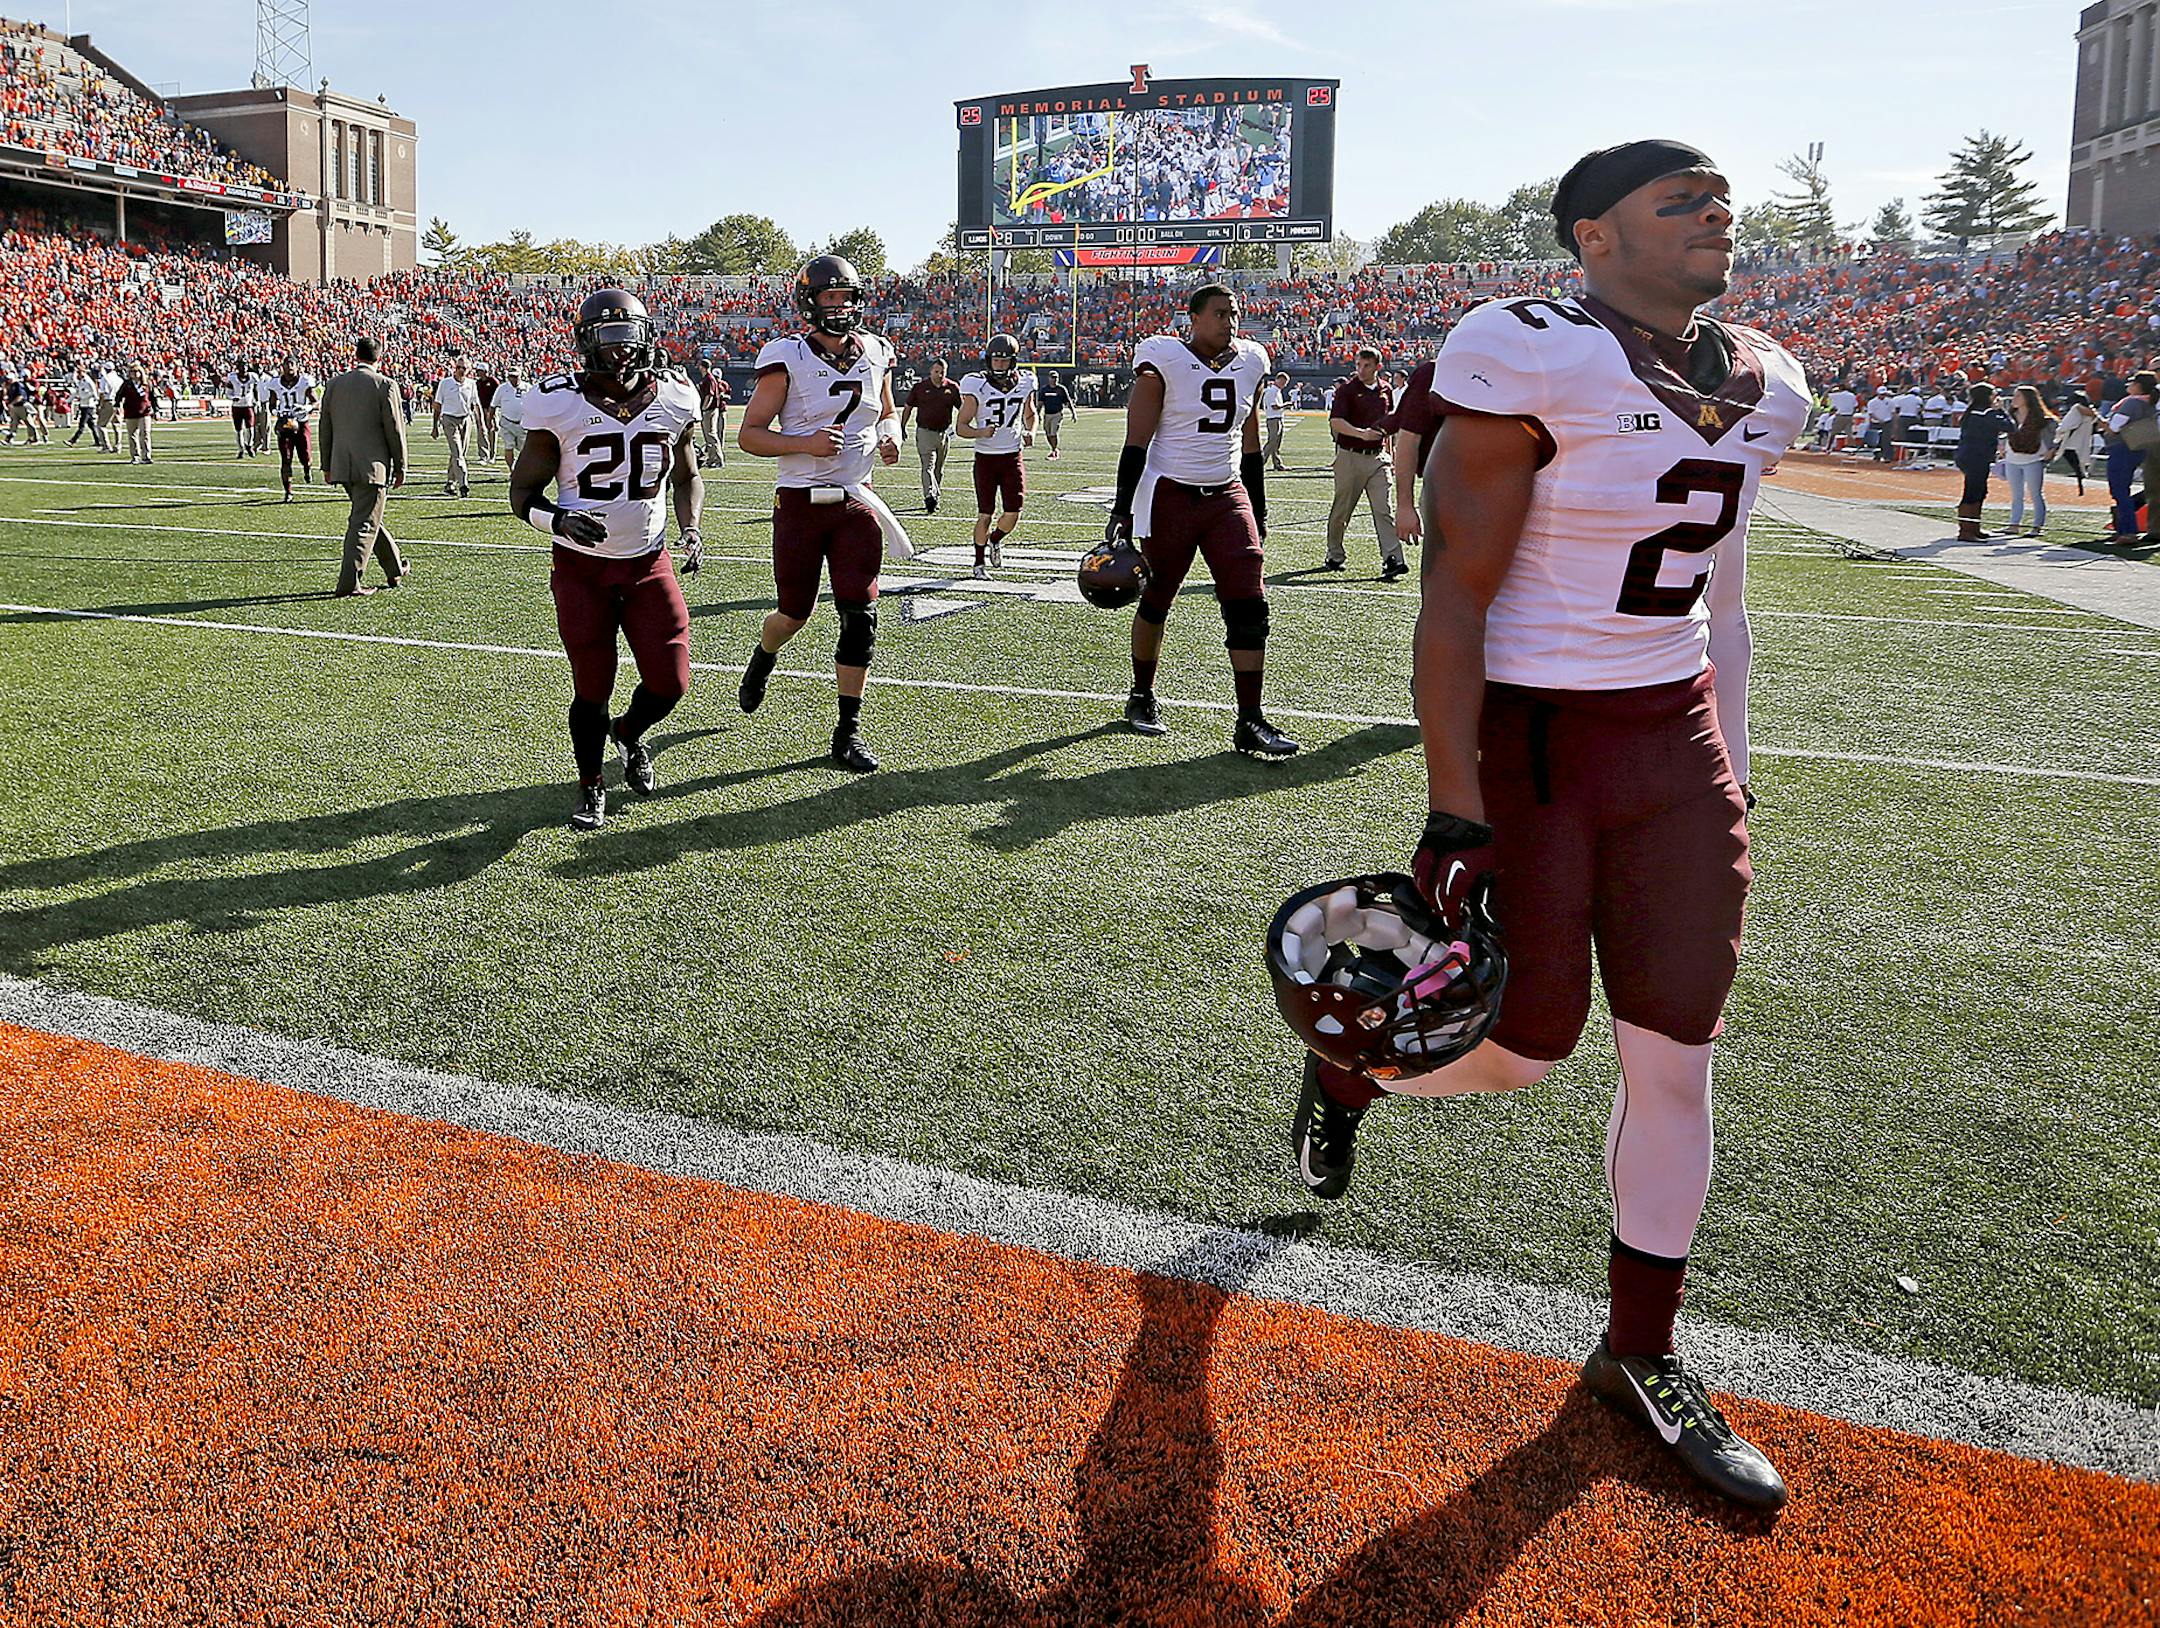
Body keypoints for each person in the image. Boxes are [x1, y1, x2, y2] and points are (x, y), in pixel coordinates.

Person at [1287, 141, 1808, 1511]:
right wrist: (1454, 800)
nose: (1714, 214)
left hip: (1672, 739)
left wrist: (1732, 769)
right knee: (1527, 1051)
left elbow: (1728, 600)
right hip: (1532, 732)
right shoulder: (1530, 351)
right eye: (1677, 200)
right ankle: (1353, 1075)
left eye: (1719, 198)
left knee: (1679, 1055)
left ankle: (1641, 1353)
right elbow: (1453, 595)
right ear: (1590, 236)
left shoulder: (1767, 382)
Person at [510, 290, 702, 831]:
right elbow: (522, 492)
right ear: (586, 344)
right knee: (592, 684)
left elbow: (687, 475)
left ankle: (630, 733)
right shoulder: (559, 401)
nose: (622, 352)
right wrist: (558, 520)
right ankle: (590, 783)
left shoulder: (673, 397)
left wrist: (692, 528)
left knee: (671, 681)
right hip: (582, 568)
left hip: (647, 560)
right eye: (610, 340)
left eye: (631, 337)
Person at [1104, 283, 1299, 760]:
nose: (1229, 322)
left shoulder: (1252, 360)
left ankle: (1250, 719)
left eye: (1233, 314)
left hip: (1226, 494)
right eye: (1218, 314)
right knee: (1158, 595)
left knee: (1250, 602)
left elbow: (1250, 441)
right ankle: (1141, 694)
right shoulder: (1163, 360)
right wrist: (1122, 508)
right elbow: (1136, 442)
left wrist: (1259, 505)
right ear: (1192, 318)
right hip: (1170, 492)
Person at [735, 254, 906, 775]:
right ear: (809, 302)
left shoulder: (876, 350)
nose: (841, 305)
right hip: (801, 503)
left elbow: (889, 409)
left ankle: (847, 730)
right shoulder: (786, 356)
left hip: (857, 500)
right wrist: (803, 442)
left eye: (847, 296)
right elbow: (749, 434)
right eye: (830, 297)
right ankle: (764, 655)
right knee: (794, 613)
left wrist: (890, 433)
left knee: (862, 614)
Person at [320, 335, 411, 598]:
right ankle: (350, 582)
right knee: (364, 523)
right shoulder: (384, 385)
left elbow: (325, 427)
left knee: (369, 517)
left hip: (343, 464)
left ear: (355, 355)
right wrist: (401, 465)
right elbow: (395, 429)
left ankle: (394, 568)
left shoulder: (335, 384)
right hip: (372, 466)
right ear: (379, 357)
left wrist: (327, 464)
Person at [956, 333, 1036, 579]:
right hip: (986, 458)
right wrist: (981, 432)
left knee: (1013, 513)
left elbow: (1030, 413)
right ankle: (979, 563)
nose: (999, 365)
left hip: (1012, 455)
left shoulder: (1026, 382)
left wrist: (1031, 430)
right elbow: (961, 427)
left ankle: (995, 539)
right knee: (985, 513)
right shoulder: (976, 385)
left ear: (1013, 361)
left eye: (1003, 361)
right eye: (995, 360)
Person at [1324, 345, 1403, 579]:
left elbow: (1387, 422)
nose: (1361, 369)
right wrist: (1362, 433)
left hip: (1378, 457)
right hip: (1351, 455)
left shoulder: (1385, 389)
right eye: (1358, 364)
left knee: (1383, 509)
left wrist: (1389, 452)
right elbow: (1336, 422)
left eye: (1367, 365)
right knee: (1342, 510)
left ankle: (1393, 558)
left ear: (1378, 367)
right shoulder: (1348, 390)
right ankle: (1335, 553)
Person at [1950, 383, 2014, 542]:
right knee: (1973, 492)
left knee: (1979, 491)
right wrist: (2001, 410)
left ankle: (1973, 527)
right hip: (1976, 457)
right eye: (1993, 394)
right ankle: (1966, 530)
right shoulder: (1986, 413)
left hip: (1972, 456)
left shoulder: (1972, 412)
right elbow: (2010, 427)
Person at [900, 358, 961, 511]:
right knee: (928, 466)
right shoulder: (920, 387)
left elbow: (963, 408)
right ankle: (929, 496)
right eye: (936, 371)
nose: (939, 375)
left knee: (938, 469)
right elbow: (908, 407)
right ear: (930, 371)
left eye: (942, 372)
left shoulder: (952, 387)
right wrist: (902, 426)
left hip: (944, 433)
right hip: (925, 431)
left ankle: (935, 496)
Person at [2104, 372, 2156, 540]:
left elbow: (2114, 428)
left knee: (2119, 490)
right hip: (2138, 448)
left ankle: (2128, 531)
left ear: (2139, 386)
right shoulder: (2150, 403)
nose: (2129, 385)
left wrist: (2093, 417)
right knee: (2122, 489)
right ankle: (2126, 529)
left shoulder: (2132, 402)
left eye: (2132, 382)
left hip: (2122, 448)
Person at [2002, 386, 2056, 537]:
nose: (2014, 399)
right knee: (2016, 494)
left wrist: (2052, 450)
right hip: (2012, 458)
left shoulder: (2042, 419)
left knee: (2035, 493)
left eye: (2018, 396)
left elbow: (2058, 435)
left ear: (2028, 398)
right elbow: (2005, 433)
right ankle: (2014, 524)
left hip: (2034, 458)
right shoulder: (2010, 416)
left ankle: (2037, 526)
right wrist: (2001, 444)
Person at [267, 357, 318, 502]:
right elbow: (272, 403)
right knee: (286, 459)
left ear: (297, 366)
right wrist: (276, 412)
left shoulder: (304, 381)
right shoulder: (275, 383)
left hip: (301, 423)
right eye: (286, 364)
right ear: (282, 366)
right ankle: (288, 491)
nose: (289, 366)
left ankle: (307, 469)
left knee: (306, 457)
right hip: (284, 424)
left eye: (292, 364)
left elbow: (316, 401)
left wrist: (307, 407)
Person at [432, 357, 479, 497]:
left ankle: (450, 483)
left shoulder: (471, 384)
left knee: (459, 453)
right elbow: (437, 405)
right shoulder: (445, 383)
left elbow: (475, 404)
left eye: (464, 368)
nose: (461, 370)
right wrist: (434, 426)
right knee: (457, 452)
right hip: (449, 419)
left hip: (465, 419)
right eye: (459, 367)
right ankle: (463, 483)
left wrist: (481, 423)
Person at [2054, 387, 2097, 496]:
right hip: (2082, 442)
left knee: (2074, 463)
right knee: (2078, 465)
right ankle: (2081, 483)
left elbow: (2067, 424)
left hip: (2071, 441)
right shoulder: (2090, 413)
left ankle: (2080, 484)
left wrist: (2059, 432)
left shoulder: (2076, 410)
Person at [697, 362, 731, 468]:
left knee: (711, 435)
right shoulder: (707, 379)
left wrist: (704, 408)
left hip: (710, 409)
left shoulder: (709, 379)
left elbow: (709, 395)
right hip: (710, 409)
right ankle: (712, 459)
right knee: (708, 436)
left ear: (703, 367)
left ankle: (718, 459)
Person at [118, 366, 154, 463]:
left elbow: (152, 397)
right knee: (132, 435)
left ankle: (146, 456)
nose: (134, 373)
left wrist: (156, 409)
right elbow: (119, 395)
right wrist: (117, 406)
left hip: (145, 412)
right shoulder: (127, 384)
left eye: (136, 371)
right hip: (130, 411)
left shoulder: (147, 384)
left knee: (145, 433)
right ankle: (135, 456)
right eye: (132, 371)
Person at [66, 361, 105, 449]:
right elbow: (77, 392)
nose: (78, 374)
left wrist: (95, 401)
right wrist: (68, 400)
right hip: (83, 405)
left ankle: (73, 440)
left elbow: (94, 392)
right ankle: (98, 441)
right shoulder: (81, 381)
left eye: (79, 372)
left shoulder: (88, 381)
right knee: (91, 425)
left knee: (82, 425)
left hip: (88, 405)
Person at [223, 356, 256, 458]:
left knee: (250, 428)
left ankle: (249, 445)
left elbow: (256, 389)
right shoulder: (232, 377)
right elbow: (227, 393)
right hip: (237, 406)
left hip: (248, 405)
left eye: (245, 365)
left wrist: (257, 401)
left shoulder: (253, 376)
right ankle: (241, 449)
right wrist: (233, 398)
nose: (244, 368)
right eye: (241, 366)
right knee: (238, 429)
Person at [495, 366, 527, 470]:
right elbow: (493, 405)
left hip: (523, 423)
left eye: (515, 376)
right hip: (507, 422)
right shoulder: (502, 388)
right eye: (510, 376)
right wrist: (489, 422)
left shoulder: (528, 387)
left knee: (524, 449)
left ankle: (520, 468)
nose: (512, 379)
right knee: (509, 446)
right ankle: (512, 470)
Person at [1037, 370, 1074, 460]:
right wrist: (1037, 414)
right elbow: (1040, 403)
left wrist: (1073, 413)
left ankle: (1054, 451)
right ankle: (1054, 449)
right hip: (1047, 414)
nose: (1054, 379)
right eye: (1052, 377)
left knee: (1053, 433)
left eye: (1055, 378)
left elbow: (1068, 401)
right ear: (1049, 378)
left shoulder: (1061, 389)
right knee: (1048, 433)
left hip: (1057, 414)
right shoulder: (1044, 389)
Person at [1261, 369, 1289, 470]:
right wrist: (1285, 405)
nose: (1284, 385)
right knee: (1272, 441)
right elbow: (1274, 406)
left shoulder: (1276, 391)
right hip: (1273, 418)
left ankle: (1277, 463)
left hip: (1277, 418)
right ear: (1278, 380)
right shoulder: (1272, 391)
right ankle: (1261, 461)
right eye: (1283, 382)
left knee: (1276, 442)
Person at [473, 363, 499, 462]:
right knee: (481, 431)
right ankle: (483, 455)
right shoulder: (478, 383)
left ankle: (492, 455)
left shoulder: (493, 382)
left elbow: (497, 396)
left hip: (491, 409)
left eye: (480, 371)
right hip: (481, 409)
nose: (478, 373)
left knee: (491, 431)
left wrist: (493, 410)